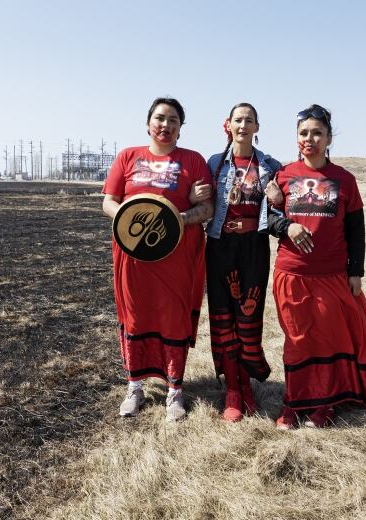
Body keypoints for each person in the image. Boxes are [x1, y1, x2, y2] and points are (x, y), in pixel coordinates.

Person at [264, 104, 366, 429]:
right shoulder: (283, 176)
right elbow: (268, 218)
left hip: (332, 276)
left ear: (329, 138)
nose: (310, 139)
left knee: (329, 339)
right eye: (304, 133)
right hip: (291, 273)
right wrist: (287, 227)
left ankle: (326, 404)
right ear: (296, 138)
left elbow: (356, 231)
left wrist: (356, 272)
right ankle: (294, 402)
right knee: (298, 340)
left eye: (317, 133)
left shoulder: (345, 180)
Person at [102, 97, 213, 422]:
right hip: (133, 255)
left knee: (173, 318)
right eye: (160, 118)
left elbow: (207, 210)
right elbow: (109, 202)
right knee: (136, 316)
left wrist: (179, 216)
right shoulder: (128, 157)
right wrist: (129, 213)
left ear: (180, 128)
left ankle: (175, 391)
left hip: (175, 257)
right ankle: (134, 388)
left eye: (173, 120)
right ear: (149, 122)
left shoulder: (193, 161)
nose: (165, 125)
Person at [201, 103, 282, 422]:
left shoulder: (270, 164)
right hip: (220, 245)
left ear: (257, 127)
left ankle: (247, 385)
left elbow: (285, 204)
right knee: (223, 319)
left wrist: (278, 199)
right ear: (228, 125)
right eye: (238, 120)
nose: (243, 125)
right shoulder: (214, 163)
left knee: (249, 318)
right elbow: (202, 202)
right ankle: (232, 391)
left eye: (249, 120)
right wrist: (197, 195)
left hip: (254, 246)